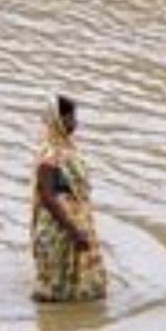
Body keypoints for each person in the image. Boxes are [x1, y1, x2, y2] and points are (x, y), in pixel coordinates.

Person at [30, 96, 107, 303]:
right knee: (53, 288)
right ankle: (55, 329)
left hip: (74, 222)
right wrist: (73, 231)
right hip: (59, 226)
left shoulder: (68, 148)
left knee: (79, 285)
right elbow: (47, 196)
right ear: (58, 120)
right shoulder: (50, 154)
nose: (75, 122)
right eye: (70, 117)